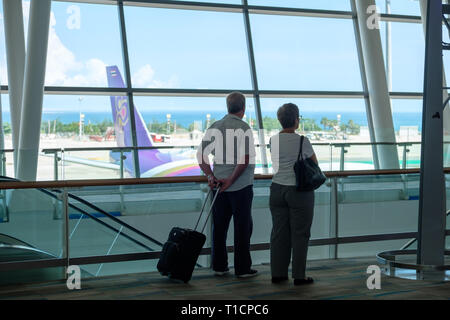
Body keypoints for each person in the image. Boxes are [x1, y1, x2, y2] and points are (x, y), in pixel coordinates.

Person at [196, 91, 258, 278]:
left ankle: (220, 266)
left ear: (227, 107)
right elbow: (244, 160)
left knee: (219, 228)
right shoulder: (244, 128)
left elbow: (201, 156)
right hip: (240, 187)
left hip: (218, 186)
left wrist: (210, 176)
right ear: (243, 108)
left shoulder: (215, 126)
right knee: (242, 228)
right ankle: (242, 269)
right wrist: (231, 180)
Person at [269, 103, 318, 285]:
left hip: (276, 189)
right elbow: (314, 163)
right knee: (300, 234)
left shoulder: (273, 140)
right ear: (296, 120)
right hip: (299, 191)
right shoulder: (302, 141)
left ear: (280, 120)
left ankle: (278, 273)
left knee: (279, 233)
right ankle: (299, 275)